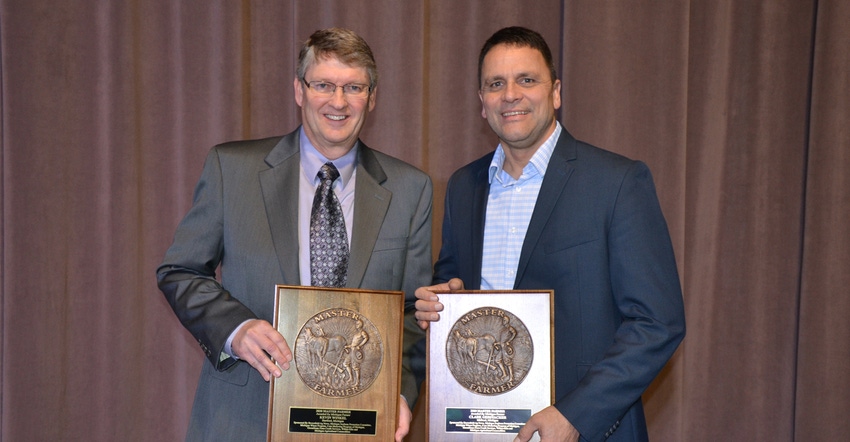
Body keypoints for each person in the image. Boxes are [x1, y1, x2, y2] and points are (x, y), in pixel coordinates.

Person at [157, 27, 432, 441]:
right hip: (244, 419)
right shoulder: (232, 170)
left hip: (360, 422)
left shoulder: (411, 189)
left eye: (353, 87)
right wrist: (237, 330)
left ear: (372, 98)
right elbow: (179, 270)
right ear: (299, 91)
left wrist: (402, 394)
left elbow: (413, 312)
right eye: (323, 84)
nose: (338, 101)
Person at [415, 26, 685, 442]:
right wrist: (438, 305)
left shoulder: (616, 183)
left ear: (555, 92)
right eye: (495, 84)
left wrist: (575, 415)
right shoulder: (464, 187)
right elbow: (453, 287)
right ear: (482, 104)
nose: (510, 94)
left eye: (526, 79)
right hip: (480, 427)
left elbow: (657, 322)